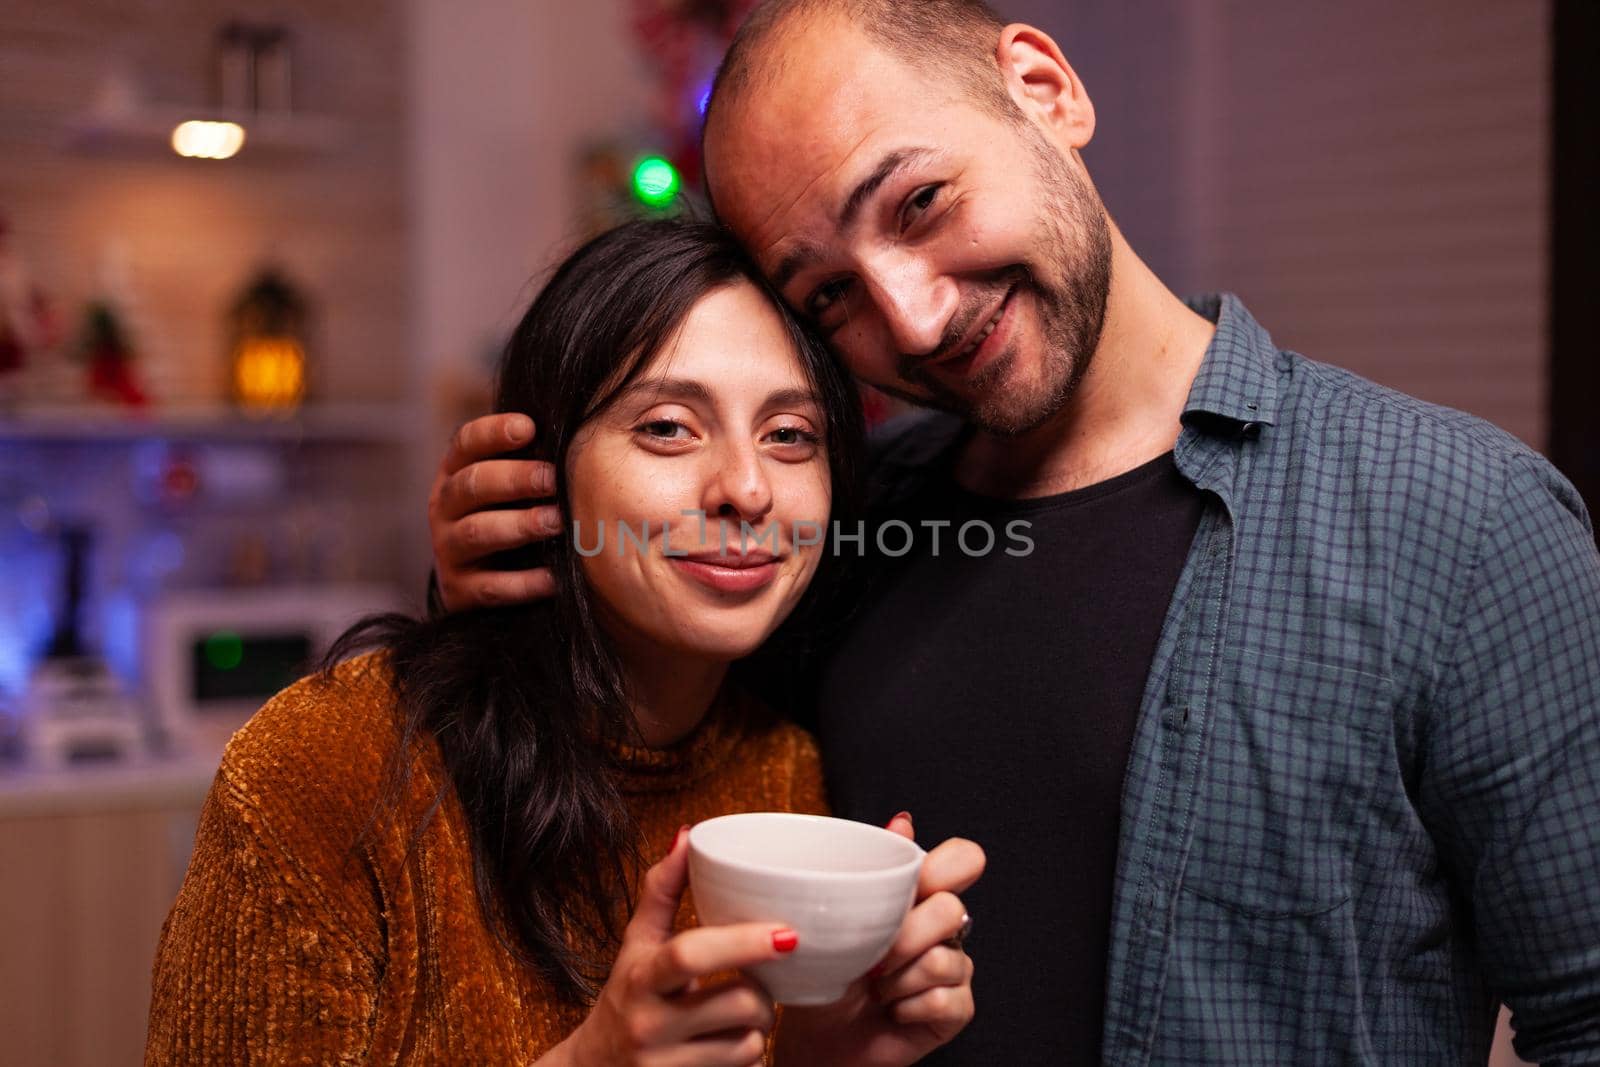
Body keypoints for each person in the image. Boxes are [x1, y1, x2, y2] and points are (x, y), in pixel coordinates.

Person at [427, 2, 1600, 1064]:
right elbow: (631, 750)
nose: (914, 316)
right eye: (827, 294)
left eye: (920, 203)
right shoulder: (841, 527)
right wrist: (532, 573)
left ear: (1045, 88)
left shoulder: (1464, 522)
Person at [144, 220, 986, 1066]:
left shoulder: (786, 776)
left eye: (791, 435)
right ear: (539, 473)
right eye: (666, 426)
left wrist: (820, 1056)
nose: (747, 488)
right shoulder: (330, 770)